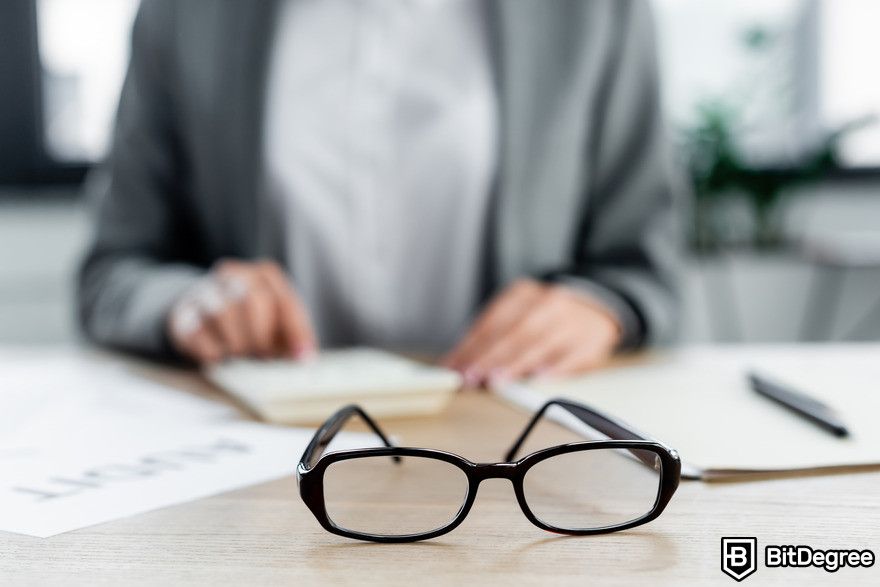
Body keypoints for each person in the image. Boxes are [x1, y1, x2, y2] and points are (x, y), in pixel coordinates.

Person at [77, 0, 681, 387]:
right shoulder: (184, 15)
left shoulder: (598, 13)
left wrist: (598, 308)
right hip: (259, 459)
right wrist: (187, 304)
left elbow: (645, 270)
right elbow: (113, 270)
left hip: (517, 451)